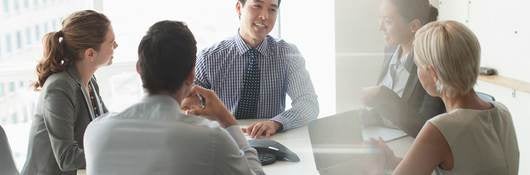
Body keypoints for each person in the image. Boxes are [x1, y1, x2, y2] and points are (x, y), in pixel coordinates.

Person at [84, 20, 264, 175]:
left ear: (139, 68)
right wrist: (226, 118)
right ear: (191, 76)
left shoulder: (95, 132)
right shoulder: (211, 139)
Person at [372, 20, 519, 175]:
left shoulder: (439, 130)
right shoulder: (503, 112)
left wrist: (375, 167)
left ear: (433, 74)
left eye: (418, 66)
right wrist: (393, 161)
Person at [193, 0, 319, 138]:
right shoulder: (209, 58)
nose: (264, 16)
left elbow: (308, 104)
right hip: (222, 141)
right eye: (257, 6)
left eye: (272, 9)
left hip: (270, 138)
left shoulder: (287, 53)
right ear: (239, 8)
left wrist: (276, 123)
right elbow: (190, 108)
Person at [22, 10, 117, 175]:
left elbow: (105, 124)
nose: (116, 46)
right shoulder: (59, 88)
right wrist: (116, 154)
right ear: (90, 54)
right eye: (111, 42)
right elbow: (67, 158)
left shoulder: (89, 81)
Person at [360, 0, 445, 137]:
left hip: (413, 147)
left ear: (414, 26)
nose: (380, 27)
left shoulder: (433, 64)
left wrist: (382, 95)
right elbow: (382, 113)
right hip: (385, 138)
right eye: (380, 19)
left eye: (387, 21)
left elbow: (426, 128)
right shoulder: (391, 49)